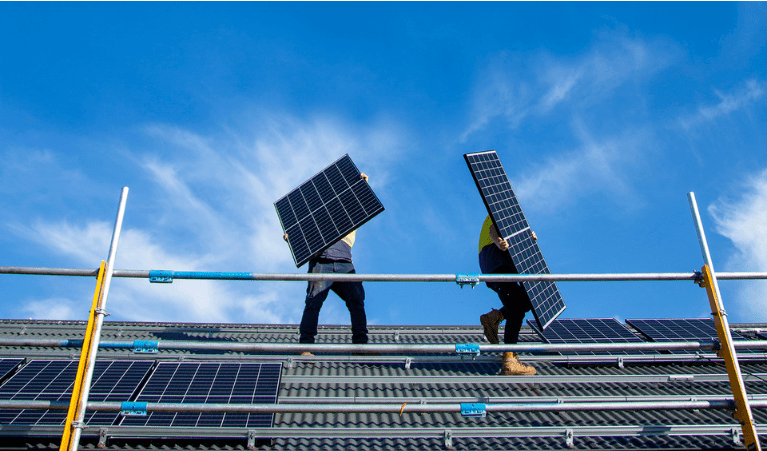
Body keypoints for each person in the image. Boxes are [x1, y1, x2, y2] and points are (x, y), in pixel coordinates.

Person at [285, 174, 370, 356]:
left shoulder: (348, 214)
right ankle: (306, 347)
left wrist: (362, 184)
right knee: (313, 302)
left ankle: (361, 347)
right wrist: (292, 238)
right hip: (320, 260)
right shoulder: (315, 216)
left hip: (344, 264)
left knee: (356, 301)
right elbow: (297, 231)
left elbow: (359, 200)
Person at [477, 215, 537, 376]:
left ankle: (495, 317)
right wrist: (498, 242)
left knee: (529, 299)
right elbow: (493, 229)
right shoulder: (498, 213)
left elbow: (513, 236)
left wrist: (529, 238)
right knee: (517, 310)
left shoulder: (512, 218)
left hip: (494, 260)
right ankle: (509, 360)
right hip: (496, 257)